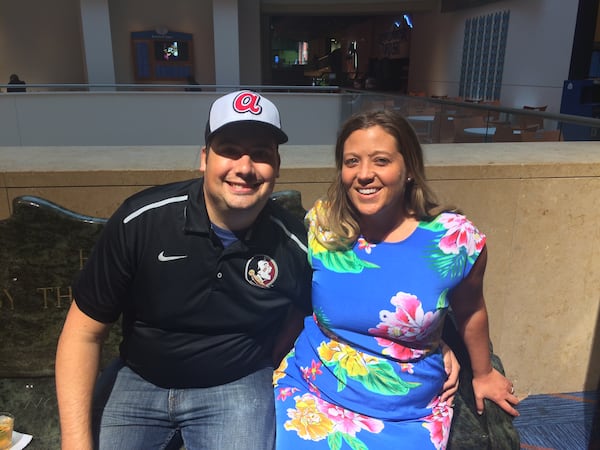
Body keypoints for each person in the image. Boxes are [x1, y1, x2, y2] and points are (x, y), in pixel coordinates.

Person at [55, 90, 313, 450]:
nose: (244, 166)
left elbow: (304, 314)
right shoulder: (141, 221)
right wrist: (75, 443)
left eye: (260, 154)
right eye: (229, 149)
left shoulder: (294, 243)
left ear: (277, 165)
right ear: (205, 158)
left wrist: (267, 362)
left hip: (236, 384)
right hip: (138, 380)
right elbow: (83, 334)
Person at [273, 109, 520, 449]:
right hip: (311, 392)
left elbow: (471, 309)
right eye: (351, 162)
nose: (364, 175)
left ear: (408, 169)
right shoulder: (324, 225)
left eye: (381, 161)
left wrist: (483, 373)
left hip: (405, 411)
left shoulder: (454, 241)